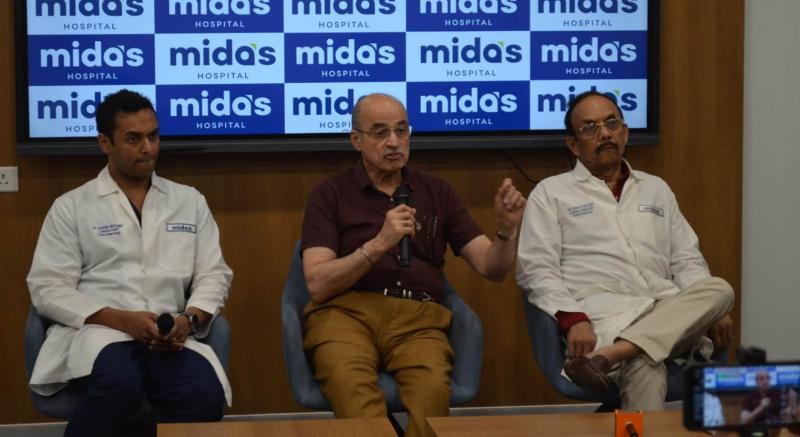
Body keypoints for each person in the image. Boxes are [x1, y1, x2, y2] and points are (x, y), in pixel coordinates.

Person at [300, 93, 525, 437]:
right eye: (380, 132)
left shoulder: (437, 192)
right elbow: (317, 283)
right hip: (345, 313)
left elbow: (491, 268)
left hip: (419, 319)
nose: (394, 142)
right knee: (351, 387)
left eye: (401, 131)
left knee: (431, 392)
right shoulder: (329, 193)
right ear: (356, 140)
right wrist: (380, 243)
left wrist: (506, 233)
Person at [27, 89, 233, 437]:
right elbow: (47, 287)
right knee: (120, 387)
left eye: (154, 136)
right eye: (133, 139)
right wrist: (120, 319)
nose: (148, 148)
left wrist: (187, 320)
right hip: (102, 333)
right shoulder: (72, 207)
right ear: (105, 143)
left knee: (205, 399)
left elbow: (214, 274)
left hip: (168, 337)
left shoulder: (189, 201)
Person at [515, 90, 735, 411]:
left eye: (612, 123)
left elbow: (686, 259)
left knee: (720, 291)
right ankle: (626, 352)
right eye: (590, 128)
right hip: (604, 320)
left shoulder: (656, 188)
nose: (605, 133)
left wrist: (708, 308)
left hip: (665, 310)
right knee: (644, 363)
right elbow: (536, 269)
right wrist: (573, 319)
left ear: (625, 132)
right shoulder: (551, 193)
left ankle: (613, 355)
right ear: (573, 145)